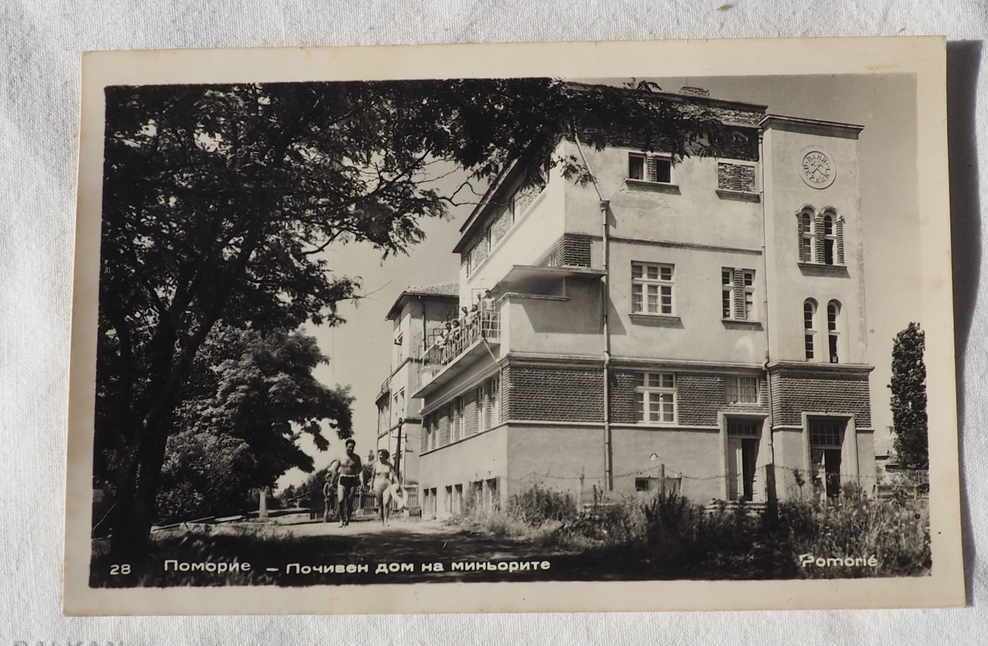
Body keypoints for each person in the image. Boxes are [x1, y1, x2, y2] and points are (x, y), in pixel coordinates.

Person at [336, 439, 363, 527]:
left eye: (352, 447)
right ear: (346, 447)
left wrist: (361, 481)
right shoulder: (340, 456)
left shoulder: (356, 458)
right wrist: (332, 481)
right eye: (349, 447)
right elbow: (335, 469)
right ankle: (341, 519)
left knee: (350, 501)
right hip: (343, 478)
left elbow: (360, 470)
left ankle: (347, 518)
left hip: (352, 479)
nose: (350, 449)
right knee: (340, 500)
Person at [372, 449, 399, 527]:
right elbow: (373, 477)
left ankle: (386, 520)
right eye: (379, 455)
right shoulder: (376, 465)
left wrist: (397, 483)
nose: (380, 456)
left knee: (386, 503)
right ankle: (382, 521)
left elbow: (394, 475)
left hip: (387, 485)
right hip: (377, 485)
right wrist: (371, 487)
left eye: (382, 455)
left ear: (385, 456)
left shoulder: (389, 465)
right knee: (380, 505)